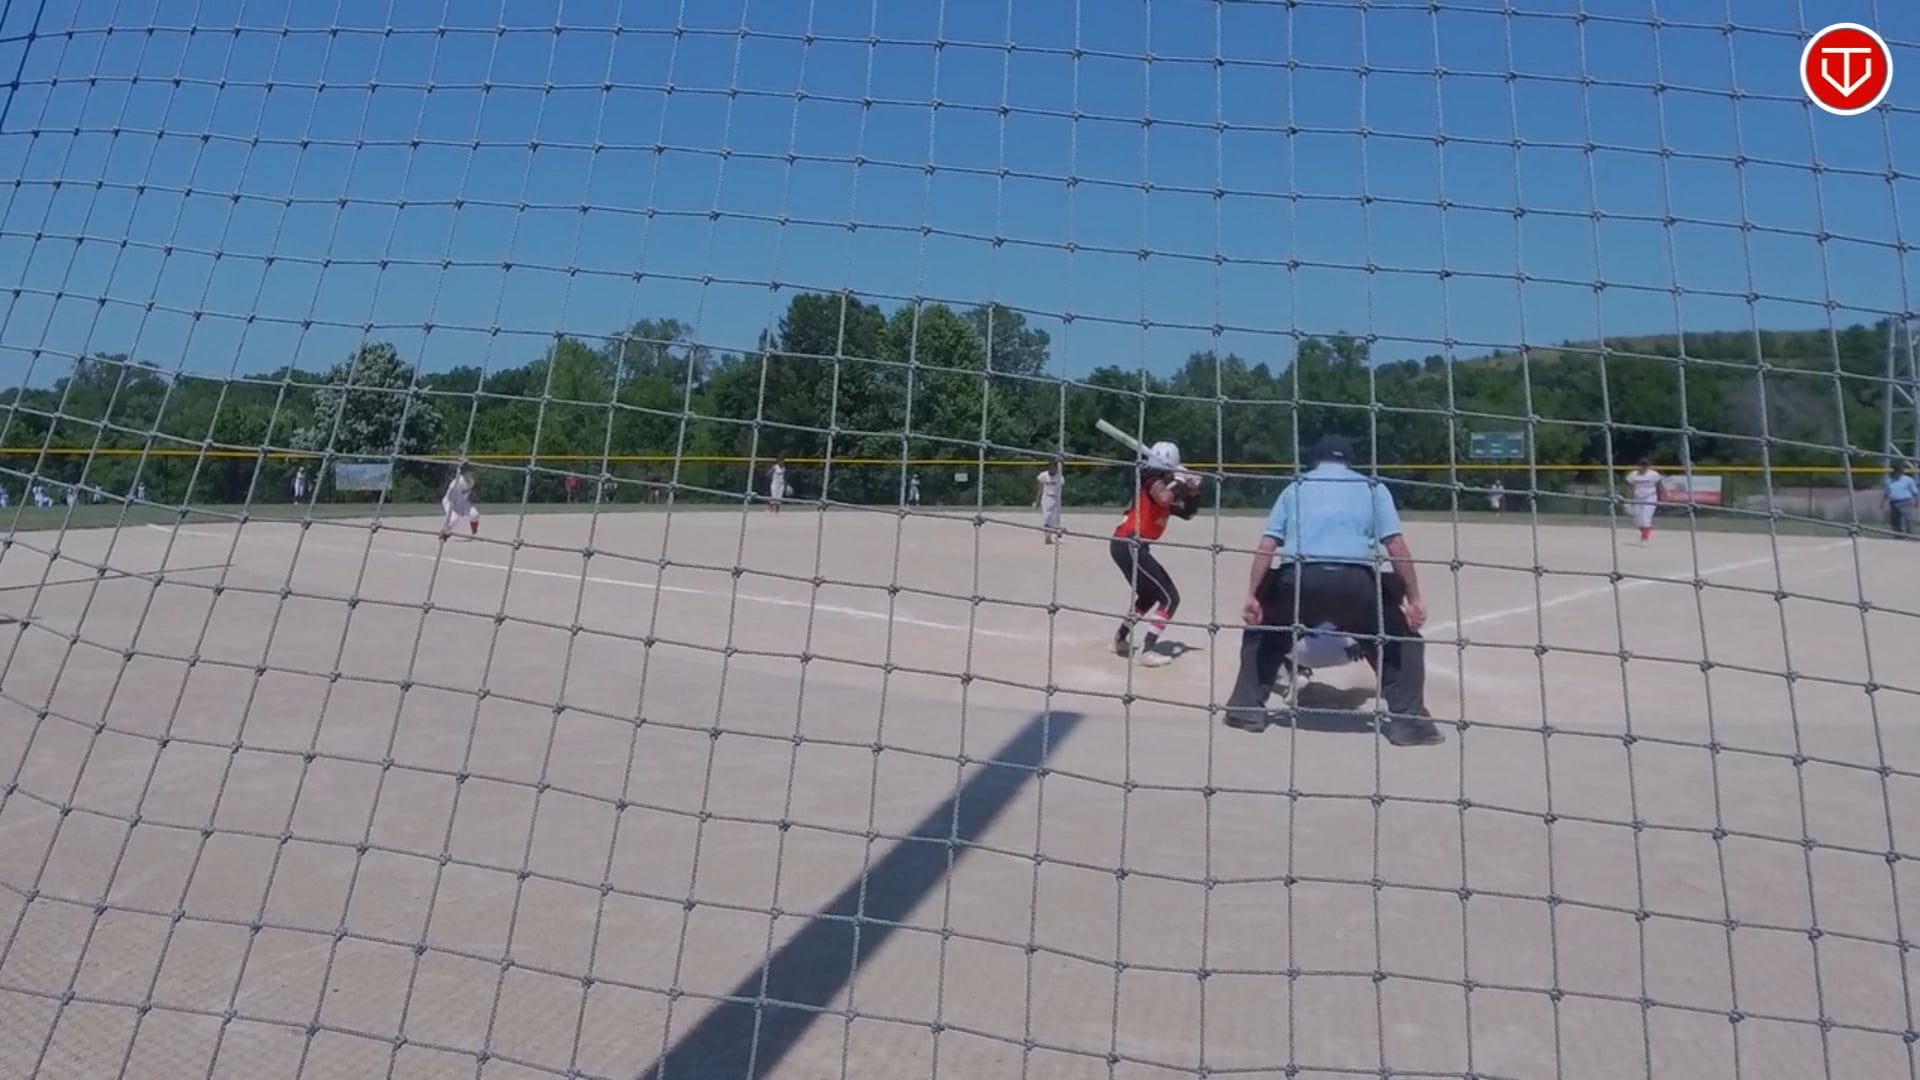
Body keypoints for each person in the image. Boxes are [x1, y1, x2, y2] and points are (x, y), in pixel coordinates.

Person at [1222, 433, 1442, 747]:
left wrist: (1253, 596)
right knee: (1401, 639)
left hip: (1299, 578)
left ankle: (1246, 710)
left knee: (1265, 630)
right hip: (1355, 583)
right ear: (1350, 461)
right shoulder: (1372, 487)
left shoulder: (1296, 486)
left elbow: (1267, 544)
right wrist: (1413, 598)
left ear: (1316, 460)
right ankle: (1409, 723)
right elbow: (1396, 545)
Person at [1110, 440, 1203, 667]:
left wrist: (1192, 492)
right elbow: (1164, 497)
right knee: (1170, 598)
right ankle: (1147, 651)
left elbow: (1188, 513)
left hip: (1129, 546)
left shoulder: (1166, 486)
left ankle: (1120, 639)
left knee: (1148, 595)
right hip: (1129, 544)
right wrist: (1179, 481)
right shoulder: (1151, 480)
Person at [1624, 456, 1662, 545]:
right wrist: (1629, 498)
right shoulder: (1634, 474)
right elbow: (1630, 486)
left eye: (1645, 465)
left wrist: (1660, 497)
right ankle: (1644, 533)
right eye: (1641, 465)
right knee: (1638, 521)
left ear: (1648, 466)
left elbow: (1659, 485)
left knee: (1646, 518)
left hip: (1650, 497)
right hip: (1637, 498)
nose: (1643, 467)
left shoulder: (1653, 474)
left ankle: (1644, 538)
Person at [441, 467, 479, 537]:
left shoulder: (471, 481)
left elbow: (467, 494)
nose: (471, 473)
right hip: (449, 502)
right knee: (454, 519)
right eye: (469, 471)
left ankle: (474, 532)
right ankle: (444, 532)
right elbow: (448, 495)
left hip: (462, 502)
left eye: (471, 472)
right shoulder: (457, 482)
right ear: (464, 473)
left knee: (475, 514)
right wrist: (452, 506)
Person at [1036, 456, 1065, 543]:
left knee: (1054, 518)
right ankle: (1047, 536)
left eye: (1054, 467)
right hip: (1047, 498)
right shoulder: (1043, 475)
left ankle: (1055, 531)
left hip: (1056, 499)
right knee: (1047, 517)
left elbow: (1060, 489)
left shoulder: (1059, 476)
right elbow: (1040, 489)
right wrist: (1037, 501)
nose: (1053, 469)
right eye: (1051, 467)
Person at [1886, 463, 1918, 537]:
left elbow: (1914, 491)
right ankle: (1898, 535)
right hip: (1894, 503)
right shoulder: (1889, 481)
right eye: (1896, 471)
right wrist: (1882, 502)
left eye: (1899, 471)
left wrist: (1917, 501)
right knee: (1895, 520)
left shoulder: (1908, 480)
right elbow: (1887, 493)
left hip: (1905, 502)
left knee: (1908, 519)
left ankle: (1910, 534)